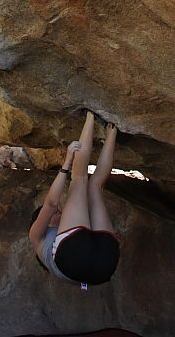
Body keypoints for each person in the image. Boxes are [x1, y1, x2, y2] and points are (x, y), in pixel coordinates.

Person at [28, 111, 120, 288]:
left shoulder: (46, 249)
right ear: (48, 223)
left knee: (95, 187)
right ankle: (90, 116)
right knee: (78, 179)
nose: (61, 212)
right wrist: (67, 162)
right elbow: (51, 203)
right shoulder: (35, 236)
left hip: (104, 266)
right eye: (57, 214)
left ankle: (112, 131)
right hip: (74, 258)